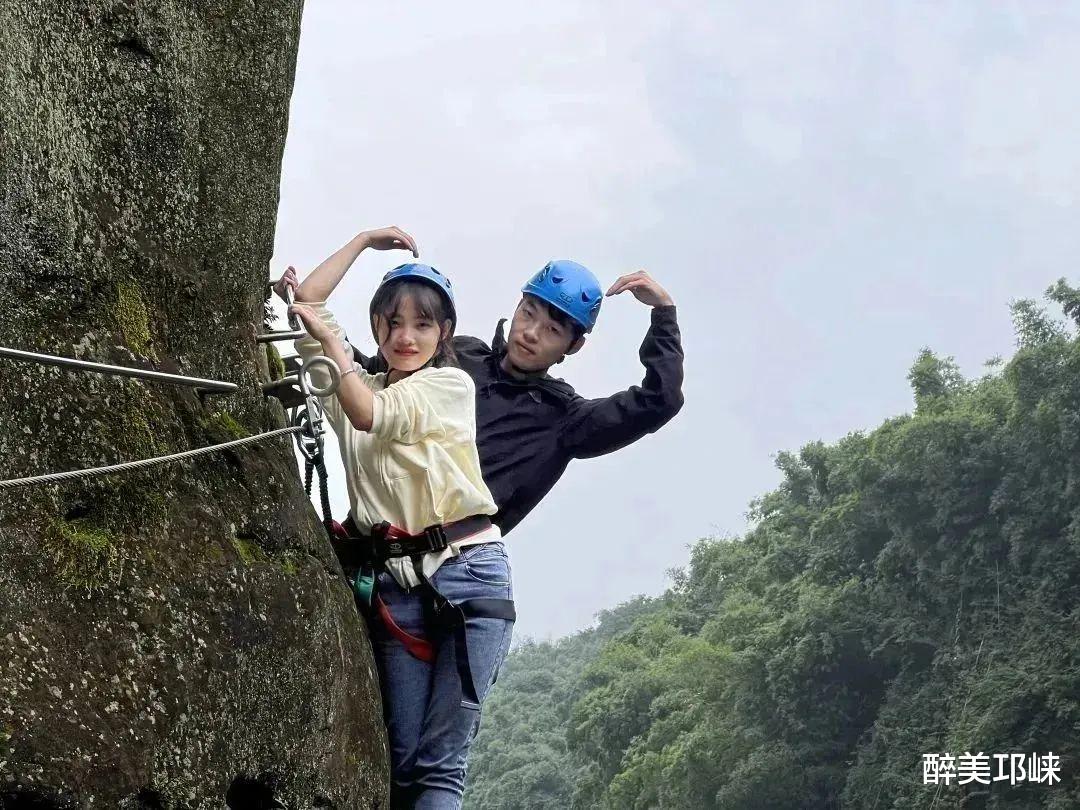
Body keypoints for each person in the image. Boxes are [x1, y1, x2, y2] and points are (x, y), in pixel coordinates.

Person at [287, 226, 514, 809]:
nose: (405, 336)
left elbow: (369, 415)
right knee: (404, 765)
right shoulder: (352, 382)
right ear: (376, 328)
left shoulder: (448, 386)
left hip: (468, 575)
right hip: (398, 588)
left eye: (421, 324)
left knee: (440, 767)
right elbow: (307, 303)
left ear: (444, 334)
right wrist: (362, 243)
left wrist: (336, 352)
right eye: (392, 323)